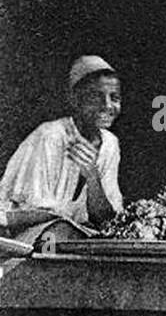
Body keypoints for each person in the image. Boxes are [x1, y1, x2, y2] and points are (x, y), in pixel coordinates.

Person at [0, 55, 125, 245]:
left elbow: (106, 220)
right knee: (62, 235)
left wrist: (92, 177)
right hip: (24, 240)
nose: (107, 106)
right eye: (96, 97)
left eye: (114, 98)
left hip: (70, 239)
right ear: (75, 100)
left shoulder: (110, 144)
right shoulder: (49, 136)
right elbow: (19, 216)